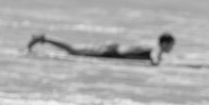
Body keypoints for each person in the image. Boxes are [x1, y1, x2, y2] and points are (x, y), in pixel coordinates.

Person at [28, 32, 175, 65]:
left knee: (74, 50)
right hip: (111, 52)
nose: (172, 48)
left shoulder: (152, 46)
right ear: (165, 43)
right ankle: (43, 39)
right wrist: (157, 64)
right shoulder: (156, 49)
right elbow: (155, 60)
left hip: (112, 50)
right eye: (171, 45)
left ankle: (44, 39)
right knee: (73, 51)